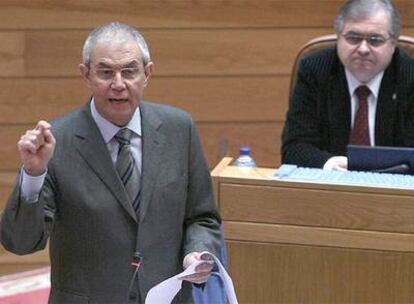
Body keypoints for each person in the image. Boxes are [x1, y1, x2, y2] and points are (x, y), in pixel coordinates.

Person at [0, 22, 222, 304]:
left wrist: (197, 251)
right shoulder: (58, 143)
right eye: (106, 72)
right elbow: (21, 242)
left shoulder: (180, 129)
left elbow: (202, 217)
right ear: (86, 75)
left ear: (147, 73)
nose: (118, 83)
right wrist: (33, 174)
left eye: (129, 71)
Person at [281, 0, 414, 171]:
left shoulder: (410, 76)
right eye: (353, 38)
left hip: (396, 192)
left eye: (375, 40)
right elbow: (294, 148)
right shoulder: (315, 70)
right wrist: (330, 164)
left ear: (393, 44)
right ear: (338, 37)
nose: (363, 49)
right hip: (329, 188)